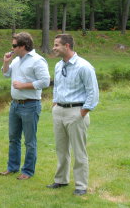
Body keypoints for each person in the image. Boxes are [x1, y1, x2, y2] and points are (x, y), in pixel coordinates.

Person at [47, 34, 99, 196]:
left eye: (56, 45)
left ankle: (81, 185)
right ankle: (61, 180)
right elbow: (57, 87)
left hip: (76, 112)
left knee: (79, 151)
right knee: (61, 149)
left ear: (67, 46)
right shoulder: (58, 65)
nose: (54, 48)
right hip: (59, 111)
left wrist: (82, 112)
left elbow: (93, 93)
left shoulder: (84, 66)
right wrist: (55, 104)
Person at [0, 32, 50, 180]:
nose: (12, 48)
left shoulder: (38, 61)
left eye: (14, 46)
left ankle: (27, 171)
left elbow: (45, 82)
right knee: (13, 138)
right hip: (15, 105)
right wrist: (6, 62)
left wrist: (24, 86)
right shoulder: (15, 60)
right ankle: (12, 167)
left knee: (29, 141)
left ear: (23, 46)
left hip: (30, 105)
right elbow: (6, 74)